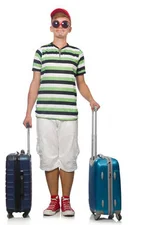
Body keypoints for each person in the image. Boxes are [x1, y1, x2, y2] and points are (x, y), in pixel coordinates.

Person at [23, 8, 100, 217]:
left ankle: (66, 201)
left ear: (70, 28)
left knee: (67, 158)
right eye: (56, 24)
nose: (60, 27)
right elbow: (35, 82)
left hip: (69, 115)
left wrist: (91, 99)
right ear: (51, 27)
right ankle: (53, 200)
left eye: (64, 24)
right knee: (49, 158)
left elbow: (81, 83)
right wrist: (28, 112)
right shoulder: (41, 52)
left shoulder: (77, 54)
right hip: (45, 114)